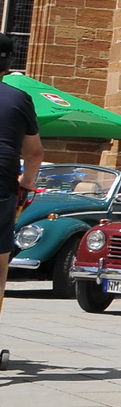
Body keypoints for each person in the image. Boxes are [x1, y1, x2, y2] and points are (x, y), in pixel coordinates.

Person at [0, 36, 43, 327]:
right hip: (1, 182)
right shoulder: (18, 98)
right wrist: (27, 183)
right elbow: (35, 152)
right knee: (0, 260)